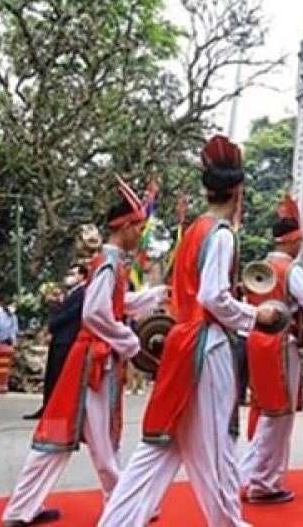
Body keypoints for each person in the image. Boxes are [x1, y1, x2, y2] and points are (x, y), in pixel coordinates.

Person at [99, 134, 286, 527]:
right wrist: (258, 318)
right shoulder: (220, 234)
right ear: (238, 191)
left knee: (161, 442)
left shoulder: (191, 235)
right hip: (206, 344)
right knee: (216, 446)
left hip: (182, 342)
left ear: (207, 189)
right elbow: (214, 297)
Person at [0, 182, 168, 527]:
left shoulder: (110, 263)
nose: (141, 234)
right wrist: (129, 341)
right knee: (102, 441)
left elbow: (113, 305)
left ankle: (21, 509)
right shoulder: (108, 263)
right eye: (138, 227)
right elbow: (94, 314)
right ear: (123, 227)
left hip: (91, 358)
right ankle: (126, 506)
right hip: (95, 360)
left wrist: (155, 295)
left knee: (69, 438)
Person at [240, 194, 303, 504]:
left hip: (256, 342)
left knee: (267, 411)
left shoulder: (259, 266)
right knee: (278, 416)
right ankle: (263, 483)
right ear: (292, 241)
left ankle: (250, 474)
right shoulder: (291, 270)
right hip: (278, 344)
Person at [25, 252, 91, 421]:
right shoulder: (71, 292)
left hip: (67, 338)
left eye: (73, 273)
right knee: (51, 375)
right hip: (59, 338)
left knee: (58, 375)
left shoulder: (82, 293)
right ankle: (48, 407)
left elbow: (69, 314)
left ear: (82, 276)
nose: (69, 277)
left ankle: (55, 409)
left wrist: (52, 326)